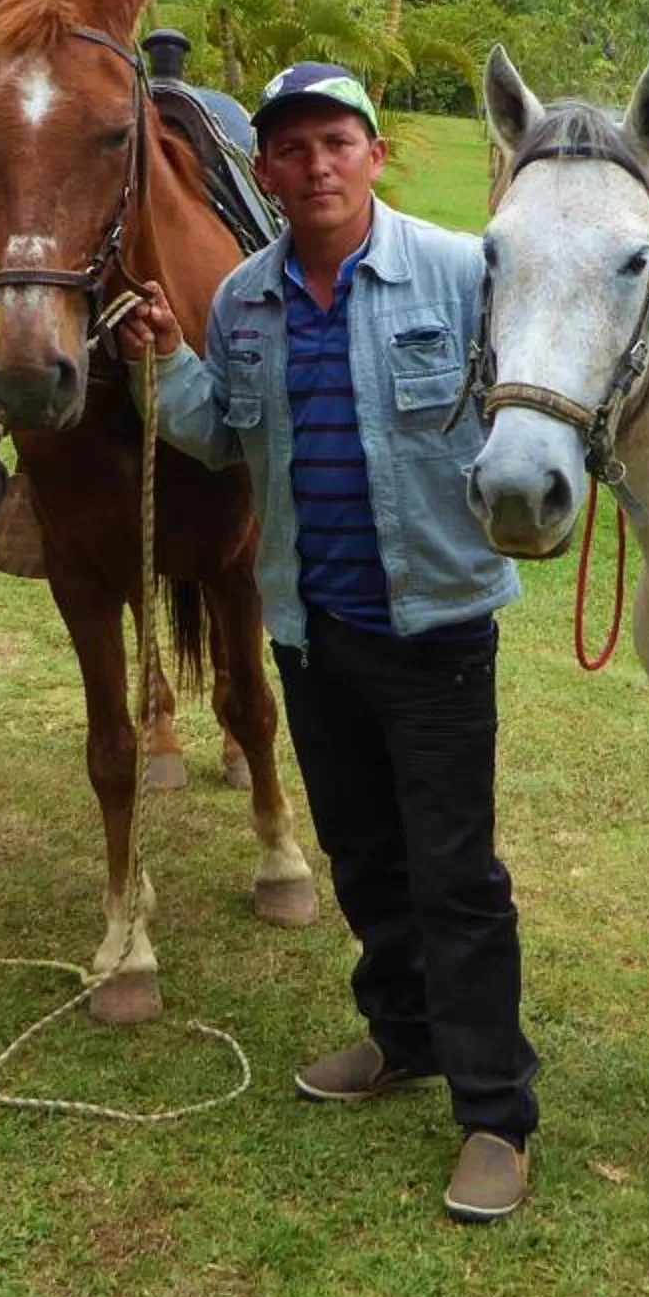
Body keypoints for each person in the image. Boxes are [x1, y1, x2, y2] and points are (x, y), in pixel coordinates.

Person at [115, 62, 536, 1223]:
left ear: (375, 153)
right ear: (267, 172)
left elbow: (538, 394)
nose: (316, 166)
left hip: (437, 627)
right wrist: (165, 356)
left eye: (336, 142)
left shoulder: (461, 272)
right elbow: (215, 436)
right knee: (359, 854)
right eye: (292, 149)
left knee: (456, 874)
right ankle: (402, 1038)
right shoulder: (245, 301)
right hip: (312, 631)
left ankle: (495, 1112)